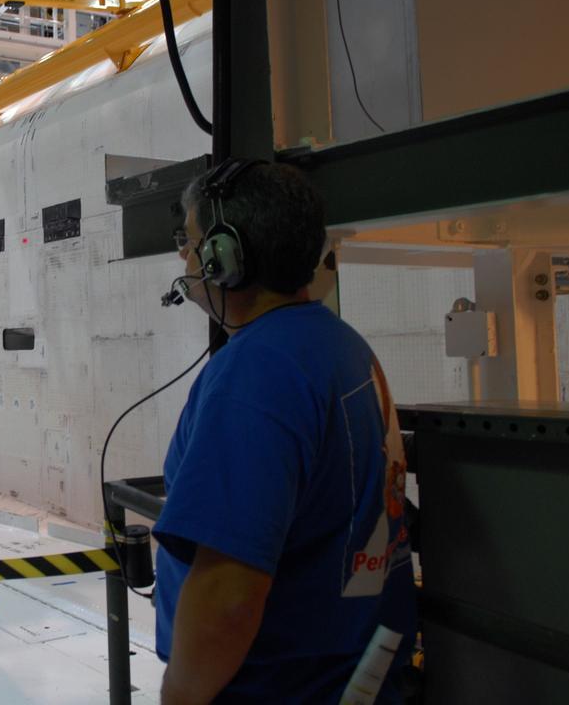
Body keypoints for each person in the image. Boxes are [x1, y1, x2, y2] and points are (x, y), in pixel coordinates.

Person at [155, 161, 416, 704]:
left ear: (225, 258)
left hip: (276, 690)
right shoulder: (340, 345)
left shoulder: (257, 372)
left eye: (192, 241)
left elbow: (229, 594)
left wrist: (179, 695)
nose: (185, 258)